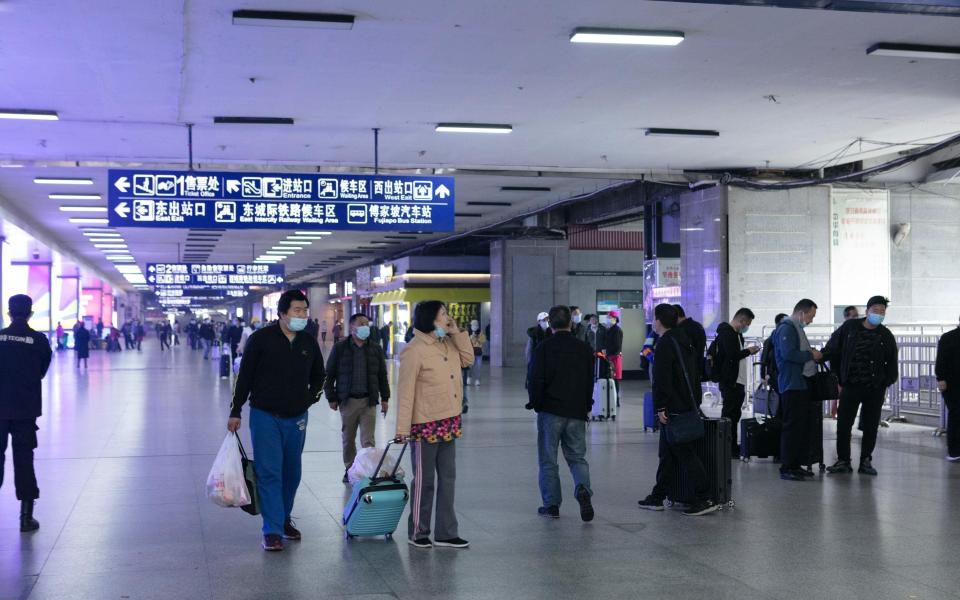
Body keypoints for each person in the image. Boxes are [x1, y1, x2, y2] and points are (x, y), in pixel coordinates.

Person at [228, 290, 325, 552]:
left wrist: (309, 399)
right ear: (282, 313)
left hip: (297, 418)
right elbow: (245, 377)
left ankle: (283, 519)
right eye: (297, 310)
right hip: (265, 416)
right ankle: (271, 529)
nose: (302, 315)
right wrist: (235, 410)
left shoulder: (308, 342)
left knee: (292, 472)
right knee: (270, 472)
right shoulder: (261, 339)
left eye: (304, 310)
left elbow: (320, 376)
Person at [395, 301, 473, 549]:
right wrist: (401, 429)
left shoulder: (448, 343)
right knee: (425, 480)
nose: (447, 318)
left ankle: (447, 532)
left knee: (448, 478)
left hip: (449, 420)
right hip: (424, 424)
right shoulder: (414, 350)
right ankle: (418, 530)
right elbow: (405, 392)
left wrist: (457, 333)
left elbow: (468, 359)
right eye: (443, 315)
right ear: (430, 319)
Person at [637, 304, 720, 516]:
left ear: (659, 321)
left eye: (654, 319)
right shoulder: (684, 340)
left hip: (673, 408)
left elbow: (662, 379)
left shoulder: (665, 343)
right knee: (668, 453)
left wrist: (661, 406)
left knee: (684, 453)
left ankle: (705, 497)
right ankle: (658, 496)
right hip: (685, 403)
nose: (653, 323)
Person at [526, 305, 595, 521]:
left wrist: (536, 404)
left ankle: (552, 505)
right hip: (576, 410)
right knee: (577, 458)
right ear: (571, 323)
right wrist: (586, 406)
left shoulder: (544, 348)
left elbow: (535, 380)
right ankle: (582, 489)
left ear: (551, 325)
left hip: (551, 410)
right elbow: (588, 381)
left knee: (548, 460)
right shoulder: (583, 348)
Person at [823, 296, 898, 476]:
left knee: (871, 426)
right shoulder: (850, 328)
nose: (879, 314)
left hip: (874, 388)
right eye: (876, 310)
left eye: (882, 312)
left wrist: (885, 382)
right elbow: (833, 348)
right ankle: (843, 460)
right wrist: (836, 373)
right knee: (843, 424)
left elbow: (892, 361)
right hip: (850, 385)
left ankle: (865, 460)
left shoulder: (885, 335)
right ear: (867, 311)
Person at [0, 295, 51, 532]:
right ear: (31, 313)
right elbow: (42, 371)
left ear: (9, 313)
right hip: (25, 410)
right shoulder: (39, 340)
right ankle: (25, 518)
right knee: (24, 461)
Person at [324, 314, 390, 483]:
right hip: (348, 401)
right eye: (361, 324)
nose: (365, 327)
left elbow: (382, 375)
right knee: (348, 439)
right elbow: (329, 374)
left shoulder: (375, 348)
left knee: (368, 440)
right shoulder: (340, 348)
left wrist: (385, 398)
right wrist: (331, 397)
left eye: (366, 324)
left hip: (369, 401)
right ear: (352, 327)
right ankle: (350, 469)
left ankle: (367, 471)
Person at [773, 299, 823, 482]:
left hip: (801, 383)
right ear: (802, 312)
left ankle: (796, 464)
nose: (811, 320)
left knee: (800, 426)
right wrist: (811, 355)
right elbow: (788, 354)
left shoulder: (797, 328)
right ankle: (787, 466)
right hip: (791, 383)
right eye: (811, 316)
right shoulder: (787, 328)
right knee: (792, 427)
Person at [714, 308, 761, 454]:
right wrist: (749, 351)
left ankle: (731, 445)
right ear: (741, 320)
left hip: (737, 381)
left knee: (734, 414)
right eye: (747, 323)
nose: (747, 327)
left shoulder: (737, 335)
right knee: (729, 415)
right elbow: (732, 356)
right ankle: (727, 446)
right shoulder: (727, 333)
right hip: (730, 381)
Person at [935, 316, 960, 461]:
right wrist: (941, 378)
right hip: (952, 384)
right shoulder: (948, 338)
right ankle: (955, 451)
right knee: (956, 415)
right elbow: (941, 360)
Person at [673, 305, 707, 381]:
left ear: (676, 316)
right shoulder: (698, 325)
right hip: (698, 368)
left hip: (686, 371)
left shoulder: (681, 330)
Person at [760, 313, 789, 399]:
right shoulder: (770, 340)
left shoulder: (786, 338)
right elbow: (764, 359)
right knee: (782, 398)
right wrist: (763, 376)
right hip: (775, 375)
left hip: (785, 374)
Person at [603, 311, 624, 404]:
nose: (607, 319)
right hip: (609, 357)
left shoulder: (617, 330)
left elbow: (617, 346)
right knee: (610, 379)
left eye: (609, 317)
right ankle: (612, 398)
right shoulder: (609, 329)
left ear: (614, 319)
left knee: (615, 380)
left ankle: (616, 399)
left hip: (614, 358)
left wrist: (608, 354)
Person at [468, 320, 486, 386]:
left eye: (476, 324)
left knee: (478, 367)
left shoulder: (480, 332)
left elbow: (483, 341)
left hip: (479, 352)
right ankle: (469, 377)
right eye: (473, 324)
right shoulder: (469, 332)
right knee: (471, 366)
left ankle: (477, 380)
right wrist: (472, 337)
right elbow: (467, 342)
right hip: (471, 352)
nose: (474, 326)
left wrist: (477, 337)